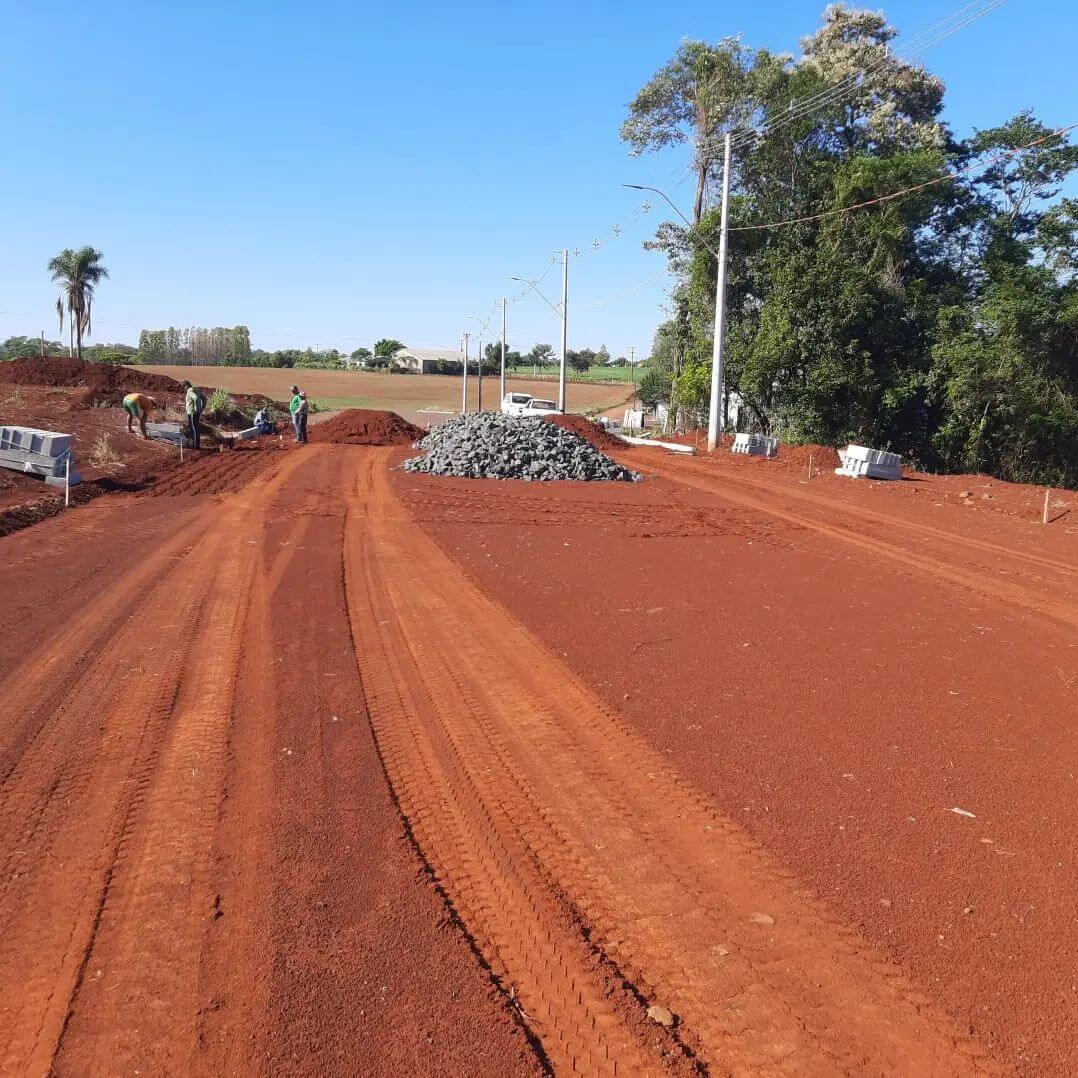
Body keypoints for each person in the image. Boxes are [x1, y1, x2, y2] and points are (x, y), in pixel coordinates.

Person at [182, 380, 206, 449]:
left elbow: (195, 398)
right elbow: (204, 398)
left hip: (192, 413)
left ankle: (195, 445)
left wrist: (195, 409)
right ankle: (196, 444)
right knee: (196, 428)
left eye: (184, 387)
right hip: (196, 413)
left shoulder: (190, 391)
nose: (184, 389)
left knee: (193, 428)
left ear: (186, 385)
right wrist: (202, 408)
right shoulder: (196, 390)